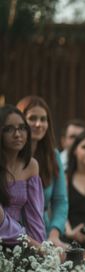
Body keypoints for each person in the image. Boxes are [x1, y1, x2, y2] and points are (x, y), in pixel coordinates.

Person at [17, 96, 69, 249]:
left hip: (43, 230)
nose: (38, 124)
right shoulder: (8, 156)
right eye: (32, 118)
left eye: (43, 119)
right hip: (13, 231)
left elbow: (60, 201)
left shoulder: (52, 155)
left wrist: (54, 234)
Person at [0, 105, 46, 247]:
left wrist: (43, 255)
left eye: (22, 128)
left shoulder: (31, 165)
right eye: (9, 129)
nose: (17, 134)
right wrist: (34, 245)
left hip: (22, 242)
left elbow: (35, 217)